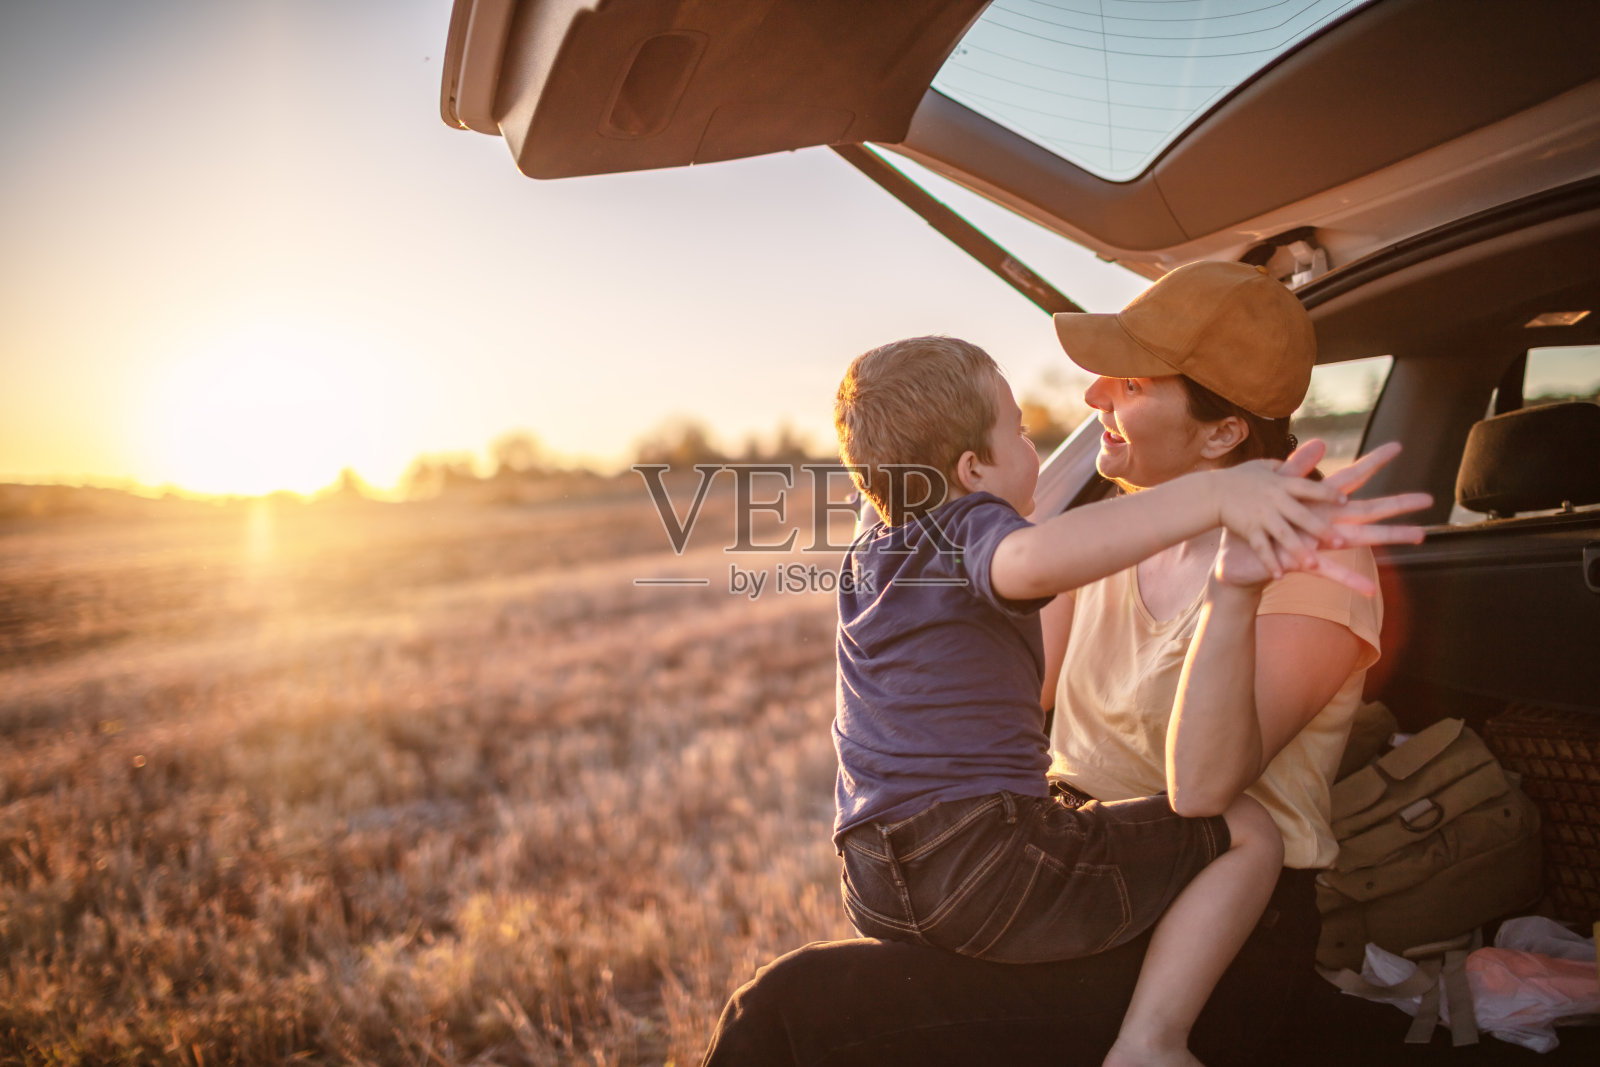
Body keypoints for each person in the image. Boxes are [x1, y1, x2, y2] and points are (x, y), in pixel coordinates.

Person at [701, 262, 1431, 1067]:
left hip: (1202, 933)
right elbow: (1009, 677)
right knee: (785, 1008)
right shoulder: (1106, 529)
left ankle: (1150, 1045)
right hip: (1062, 868)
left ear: (1223, 433)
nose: (1092, 396)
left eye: (1131, 382)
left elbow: (1201, 792)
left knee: (790, 1014)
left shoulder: (1315, 559)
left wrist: (1232, 591)